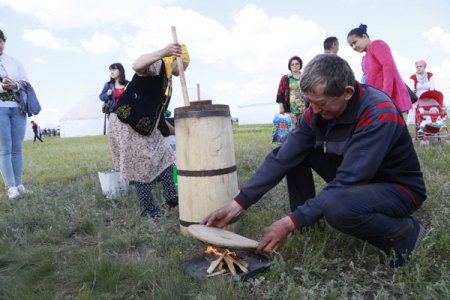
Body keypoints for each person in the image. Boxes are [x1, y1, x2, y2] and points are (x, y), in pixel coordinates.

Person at [203, 54, 426, 268]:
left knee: (338, 207)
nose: (315, 111)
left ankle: (404, 234)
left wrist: (289, 222)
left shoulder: (378, 112)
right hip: (359, 178)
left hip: (397, 188)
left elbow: (349, 180)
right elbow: (283, 157)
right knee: (296, 153)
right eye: (311, 103)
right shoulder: (316, 112)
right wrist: (237, 204)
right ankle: (309, 227)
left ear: (347, 92)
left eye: (321, 103)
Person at [108, 43, 189, 217]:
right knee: (141, 163)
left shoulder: (167, 81)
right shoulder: (157, 65)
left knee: (165, 154)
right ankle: (148, 209)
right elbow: (136, 65)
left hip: (143, 124)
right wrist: (164, 52)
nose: (183, 69)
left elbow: (158, 117)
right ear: (174, 59)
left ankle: (171, 197)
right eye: (183, 64)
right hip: (127, 122)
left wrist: (179, 132)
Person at [347, 24, 411, 113]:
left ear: (364, 36)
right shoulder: (365, 57)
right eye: (351, 45)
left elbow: (388, 69)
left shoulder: (377, 45)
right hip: (379, 98)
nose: (354, 47)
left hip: (390, 97)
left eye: (355, 42)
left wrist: (385, 96)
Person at [0, 29, 31, 199]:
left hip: (18, 107)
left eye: (0, 41)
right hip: (0, 109)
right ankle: (10, 186)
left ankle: (19, 184)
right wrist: (2, 87)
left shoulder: (14, 61)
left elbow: (26, 81)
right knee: (5, 149)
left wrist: (16, 85)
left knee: (17, 148)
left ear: (4, 42)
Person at [276, 56, 307, 128]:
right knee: (292, 130)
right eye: (292, 64)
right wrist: (281, 106)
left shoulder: (305, 77)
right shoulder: (285, 78)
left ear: (300, 65)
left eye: (297, 63)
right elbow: (280, 92)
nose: (295, 66)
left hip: (304, 109)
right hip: (290, 109)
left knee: (303, 130)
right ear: (290, 66)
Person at [406, 60, 435, 125]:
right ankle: (419, 123)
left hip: (429, 96)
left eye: (420, 66)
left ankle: (433, 122)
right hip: (417, 97)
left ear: (424, 67)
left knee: (434, 107)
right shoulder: (412, 77)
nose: (418, 68)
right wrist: (414, 91)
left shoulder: (430, 75)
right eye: (417, 67)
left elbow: (432, 88)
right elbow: (411, 90)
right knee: (415, 107)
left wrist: (431, 95)